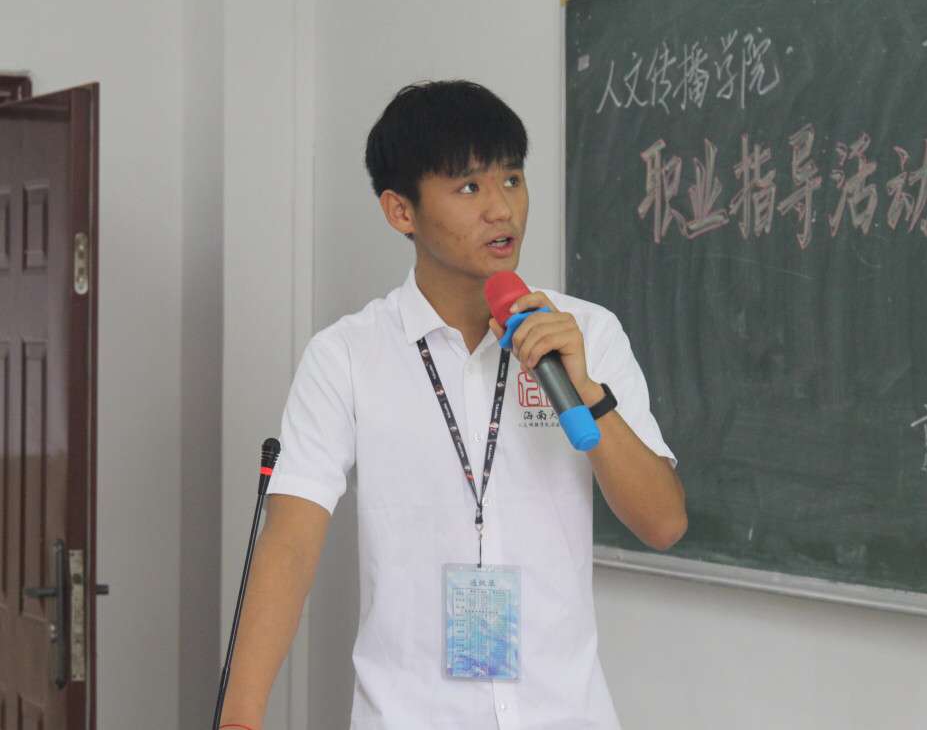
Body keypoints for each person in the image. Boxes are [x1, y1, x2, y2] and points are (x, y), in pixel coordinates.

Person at [219, 80, 687, 730]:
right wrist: (240, 717)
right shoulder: (347, 356)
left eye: (512, 179)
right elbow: (291, 544)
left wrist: (587, 394)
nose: (502, 209)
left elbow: (663, 524)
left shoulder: (586, 333)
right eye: (469, 187)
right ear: (400, 211)